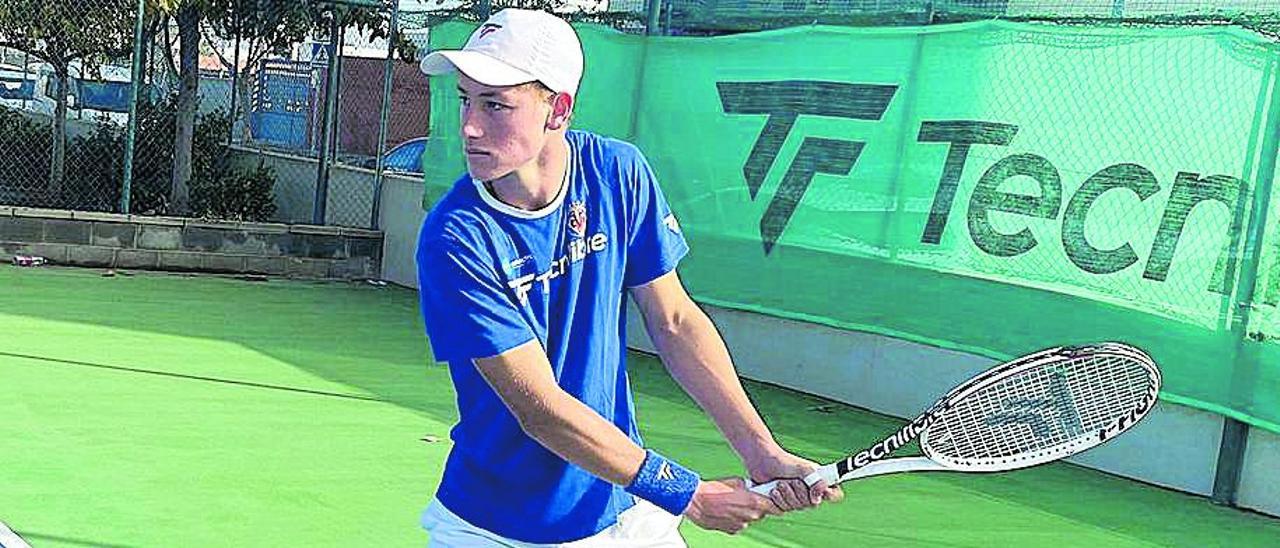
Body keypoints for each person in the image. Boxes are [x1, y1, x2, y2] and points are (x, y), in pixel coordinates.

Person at [414, 8, 841, 546]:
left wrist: (762, 451)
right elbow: (539, 408)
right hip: (494, 528)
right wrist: (688, 493)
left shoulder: (617, 172)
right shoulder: (454, 238)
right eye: (466, 100)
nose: (471, 125)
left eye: (495, 104)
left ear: (557, 110)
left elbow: (676, 320)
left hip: (623, 511)